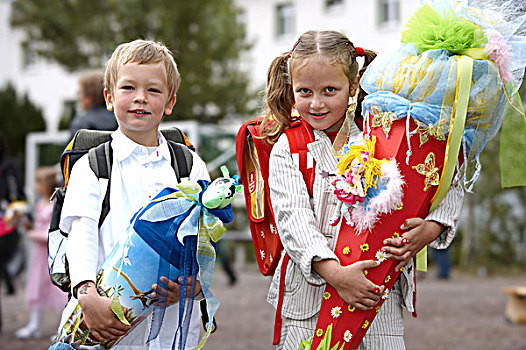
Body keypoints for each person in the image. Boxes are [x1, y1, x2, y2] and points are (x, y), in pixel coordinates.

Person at [260, 30, 463, 349]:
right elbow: (293, 221)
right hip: (310, 305)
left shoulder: (383, 136)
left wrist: (431, 227)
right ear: (291, 88)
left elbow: (444, 179)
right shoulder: (290, 148)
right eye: (304, 91)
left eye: (330, 90)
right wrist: (335, 273)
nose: (316, 103)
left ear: (353, 86)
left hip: (377, 291)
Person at [58, 39, 210, 349]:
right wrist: (86, 295)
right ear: (109, 98)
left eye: (153, 90)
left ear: (169, 102)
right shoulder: (94, 165)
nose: (140, 98)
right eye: (128, 88)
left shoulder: (189, 165)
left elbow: (206, 238)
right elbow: (81, 234)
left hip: (172, 329)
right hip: (102, 325)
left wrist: (195, 286)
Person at [15, 166, 68, 339]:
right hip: (39, 254)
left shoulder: (55, 203)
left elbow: (52, 231)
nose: (37, 186)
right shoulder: (40, 202)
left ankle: (61, 327)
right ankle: (34, 325)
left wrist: (33, 233)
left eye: (39, 182)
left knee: (56, 288)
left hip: (51, 252)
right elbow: (39, 224)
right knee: (36, 285)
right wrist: (28, 225)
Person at [69, 70, 118, 138]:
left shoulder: (81, 125)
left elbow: (73, 148)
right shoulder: (120, 120)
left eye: (80, 93)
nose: (78, 98)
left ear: (89, 97)